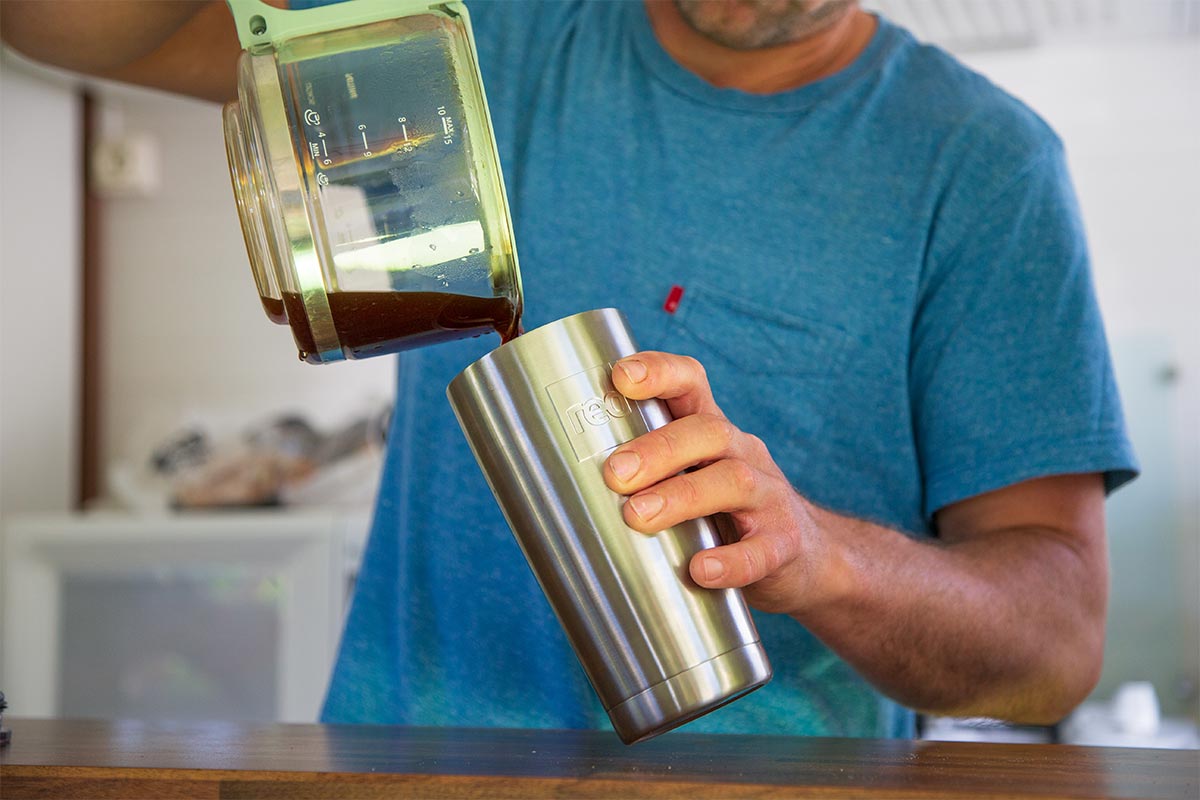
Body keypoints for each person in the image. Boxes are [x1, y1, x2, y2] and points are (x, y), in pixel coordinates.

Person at [2, 0, 1138, 738]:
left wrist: (818, 552)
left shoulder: (981, 166)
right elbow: (60, 23)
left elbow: (1054, 652)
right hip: (413, 760)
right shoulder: (481, 35)